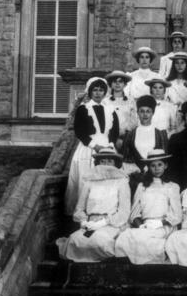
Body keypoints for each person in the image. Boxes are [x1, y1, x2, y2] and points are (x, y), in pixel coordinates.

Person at [57, 146, 130, 262]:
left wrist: (103, 222)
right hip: (90, 224)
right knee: (74, 241)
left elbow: (124, 212)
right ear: (97, 163)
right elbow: (79, 209)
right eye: (102, 161)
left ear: (115, 163)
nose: (106, 164)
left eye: (109, 161)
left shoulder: (122, 182)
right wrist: (84, 221)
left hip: (111, 224)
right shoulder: (90, 182)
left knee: (100, 242)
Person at [114, 150, 181, 265]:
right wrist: (141, 225)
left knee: (148, 241)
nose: (157, 168)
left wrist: (159, 224)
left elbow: (177, 215)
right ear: (148, 167)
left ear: (165, 165)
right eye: (153, 165)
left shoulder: (172, 186)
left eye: (160, 164)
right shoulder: (142, 186)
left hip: (164, 226)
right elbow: (134, 213)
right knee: (127, 236)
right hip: (145, 225)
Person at [65, 76, 120, 216]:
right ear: (90, 92)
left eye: (101, 90)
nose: (98, 93)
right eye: (95, 90)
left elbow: (114, 131)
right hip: (88, 148)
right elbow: (80, 131)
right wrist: (95, 146)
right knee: (87, 180)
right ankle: (83, 213)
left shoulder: (110, 109)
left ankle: (106, 212)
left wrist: (109, 146)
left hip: (108, 148)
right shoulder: (83, 109)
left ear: (105, 92)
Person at [120, 95, 169, 192]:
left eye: (148, 111)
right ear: (137, 113)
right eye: (142, 111)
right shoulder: (130, 134)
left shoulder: (160, 134)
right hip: (135, 178)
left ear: (153, 113)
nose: (145, 115)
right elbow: (126, 158)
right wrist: (136, 171)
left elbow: (164, 159)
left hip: (156, 177)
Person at [105, 69, 137, 138]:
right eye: (114, 81)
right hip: (108, 135)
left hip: (126, 136)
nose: (117, 84)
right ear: (111, 84)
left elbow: (134, 120)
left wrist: (125, 131)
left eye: (120, 81)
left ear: (125, 84)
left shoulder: (130, 101)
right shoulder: (105, 101)